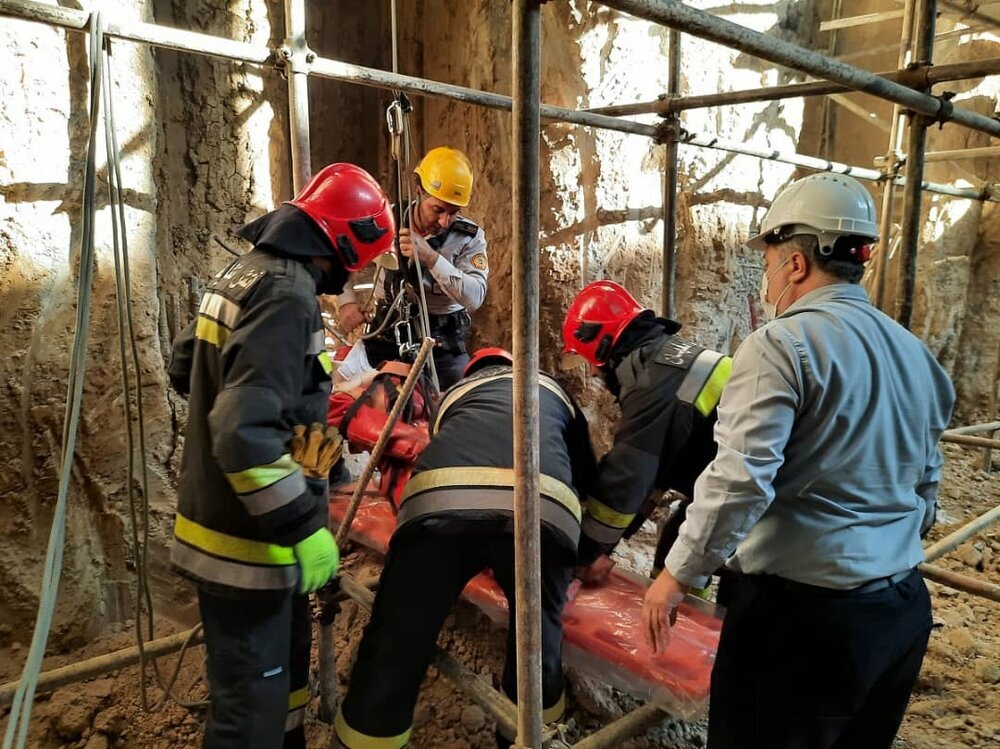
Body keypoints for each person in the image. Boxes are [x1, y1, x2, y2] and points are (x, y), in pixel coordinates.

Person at [642, 173, 956, 749]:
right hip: (899, 612)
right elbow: (927, 484)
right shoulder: (915, 353)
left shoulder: (780, 345)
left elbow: (740, 480)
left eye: (766, 263)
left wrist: (675, 575)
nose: (764, 279)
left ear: (795, 264)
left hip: (804, 624)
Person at [168, 163, 396, 749]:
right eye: (363, 263)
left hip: (244, 534)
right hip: (248, 548)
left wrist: (301, 426)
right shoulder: (287, 295)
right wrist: (301, 525)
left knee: (284, 682)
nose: (357, 278)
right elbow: (243, 432)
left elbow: (186, 367)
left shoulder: (246, 272)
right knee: (251, 716)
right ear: (347, 242)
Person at [331, 348, 598, 749]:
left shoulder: (455, 396)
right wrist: (588, 552)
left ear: (474, 370)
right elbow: (586, 476)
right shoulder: (553, 391)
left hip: (442, 504)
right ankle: (526, 737)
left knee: (397, 637)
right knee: (539, 640)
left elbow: (438, 451)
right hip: (542, 509)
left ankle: (367, 738)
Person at [561, 280, 732, 583]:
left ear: (601, 346)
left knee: (685, 558)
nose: (590, 372)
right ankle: (684, 621)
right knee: (678, 543)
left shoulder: (651, 385)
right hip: (753, 489)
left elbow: (628, 477)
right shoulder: (670, 359)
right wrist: (607, 547)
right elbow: (657, 471)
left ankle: (687, 624)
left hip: (760, 506)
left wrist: (586, 555)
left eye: (587, 360)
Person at [336, 146, 489, 388]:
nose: (444, 221)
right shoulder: (385, 220)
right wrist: (346, 302)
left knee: (452, 406)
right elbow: (340, 252)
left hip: (442, 345)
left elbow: (475, 297)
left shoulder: (468, 237)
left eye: (453, 212)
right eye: (437, 209)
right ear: (419, 191)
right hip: (385, 334)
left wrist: (431, 258)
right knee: (341, 390)